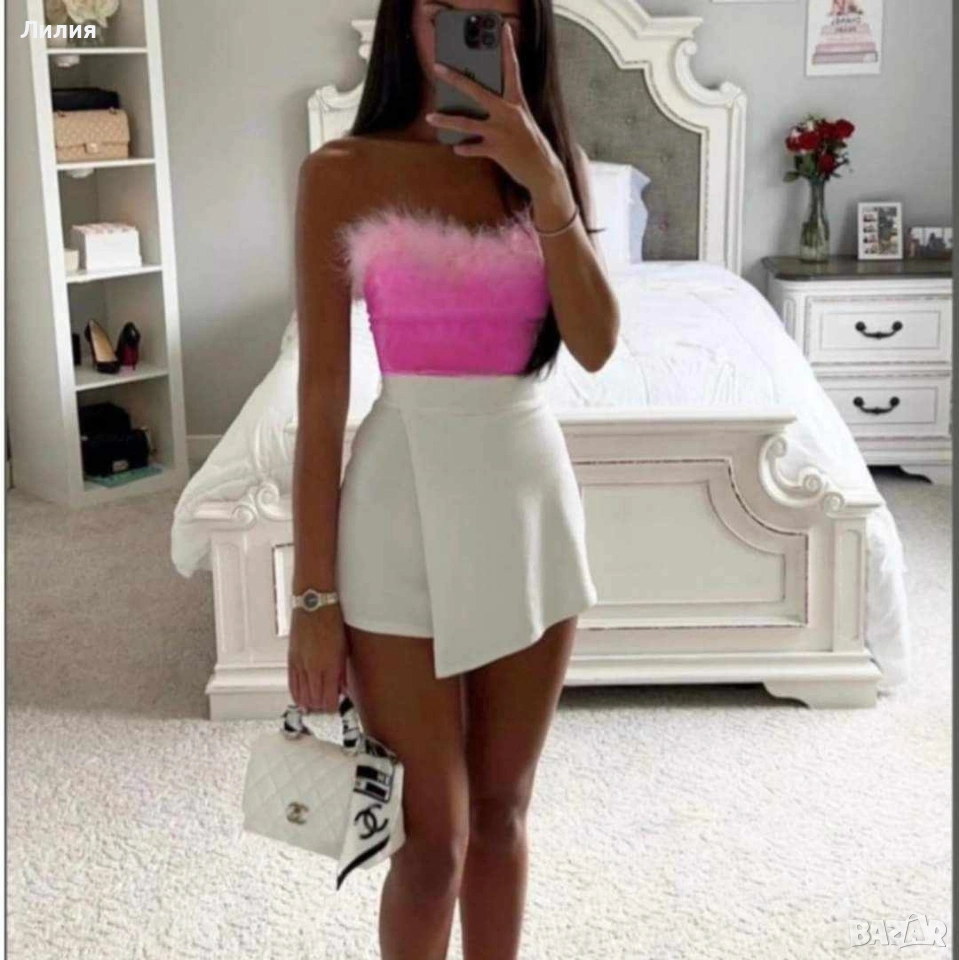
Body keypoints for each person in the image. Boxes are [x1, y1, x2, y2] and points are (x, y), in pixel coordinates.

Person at [289, 1, 619, 957]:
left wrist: (545, 179)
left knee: (504, 810)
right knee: (431, 841)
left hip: (526, 504)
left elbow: (595, 344)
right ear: (406, 20)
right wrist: (313, 598)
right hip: (395, 509)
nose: (468, 31)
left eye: (495, 15)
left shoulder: (548, 168)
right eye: (445, 11)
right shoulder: (340, 172)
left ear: (525, 30)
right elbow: (320, 400)